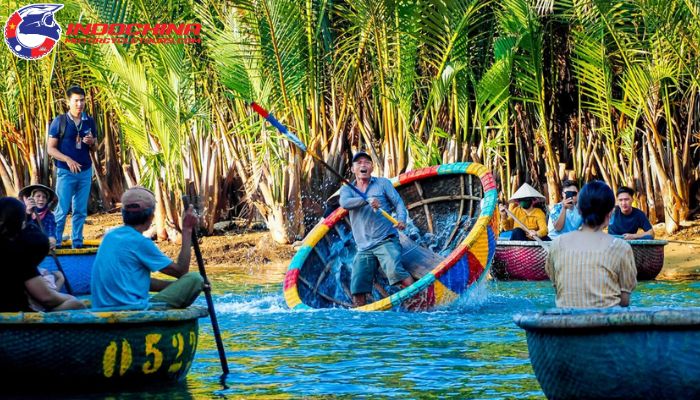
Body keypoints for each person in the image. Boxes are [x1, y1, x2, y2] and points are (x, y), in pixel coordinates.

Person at [90, 187, 204, 310]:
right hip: (130, 311)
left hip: (102, 308)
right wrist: (187, 230)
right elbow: (181, 272)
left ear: (123, 214)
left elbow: (139, 281)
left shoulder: (110, 236)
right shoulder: (140, 242)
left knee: (190, 282)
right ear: (151, 217)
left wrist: (177, 287)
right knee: (195, 279)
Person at [339, 151, 414, 307]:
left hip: (386, 240)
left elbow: (399, 204)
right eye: (358, 163)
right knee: (358, 288)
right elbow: (345, 203)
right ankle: (363, 320)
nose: (363, 165)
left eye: (366, 162)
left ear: (372, 167)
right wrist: (366, 200)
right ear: (353, 169)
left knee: (394, 271)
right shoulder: (347, 189)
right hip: (363, 247)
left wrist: (401, 219)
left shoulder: (382, 184)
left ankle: (420, 301)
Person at [545, 181, 637, 308]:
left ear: (580, 210)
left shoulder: (557, 245)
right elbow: (624, 300)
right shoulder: (621, 247)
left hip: (566, 324)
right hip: (605, 324)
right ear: (610, 213)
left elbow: (557, 289)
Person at [0, 197, 85, 312]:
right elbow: (47, 298)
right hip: (14, 314)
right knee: (77, 304)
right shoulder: (16, 253)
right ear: (21, 224)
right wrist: (71, 299)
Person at [47, 85, 97, 249]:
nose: (79, 104)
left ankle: (77, 243)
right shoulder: (60, 121)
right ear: (69, 102)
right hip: (65, 172)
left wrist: (92, 143)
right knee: (61, 210)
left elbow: (95, 147)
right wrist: (67, 159)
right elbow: (50, 148)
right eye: (76, 100)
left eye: (82, 100)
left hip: (85, 171)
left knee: (80, 211)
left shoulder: (89, 121)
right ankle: (56, 242)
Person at [19, 184, 57, 250]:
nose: (41, 199)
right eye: (38, 196)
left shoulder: (49, 216)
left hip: (40, 246)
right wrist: (28, 212)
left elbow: (51, 230)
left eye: (44, 197)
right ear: (32, 198)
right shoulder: (22, 212)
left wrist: (52, 240)